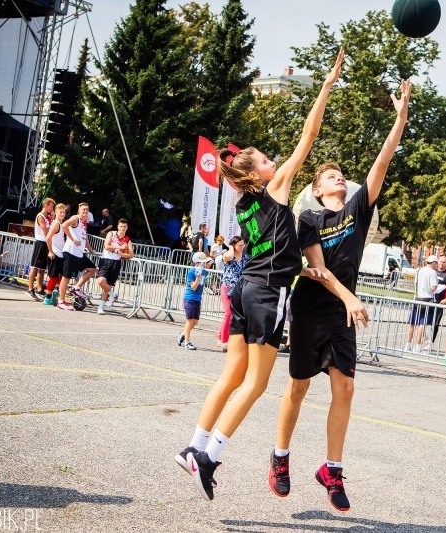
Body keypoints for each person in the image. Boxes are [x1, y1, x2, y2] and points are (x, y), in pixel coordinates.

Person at [175, 48, 344, 502]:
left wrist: (304, 267)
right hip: (268, 295)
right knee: (255, 384)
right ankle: (208, 456)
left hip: (244, 290)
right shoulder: (274, 190)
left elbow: (274, 247)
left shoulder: (243, 203)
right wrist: (326, 87)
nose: (275, 162)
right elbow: (309, 135)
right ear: (255, 172)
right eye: (267, 159)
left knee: (231, 376)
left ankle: (193, 444)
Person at [269, 79, 410, 512]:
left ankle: (332, 469)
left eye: (341, 175)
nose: (340, 177)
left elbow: (382, 162)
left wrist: (400, 118)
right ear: (317, 189)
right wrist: (349, 297)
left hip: (343, 313)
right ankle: (280, 456)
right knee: (298, 387)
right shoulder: (310, 219)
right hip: (312, 308)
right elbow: (318, 269)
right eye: (332, 176)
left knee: (345, 388)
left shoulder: (357, 211)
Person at [57, 203, 97, 311]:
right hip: (71, 252)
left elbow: (85, 238)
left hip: (79, 254)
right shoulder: (76, 218)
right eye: (83, 209)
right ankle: (61, 301)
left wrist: (90, 249)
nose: (85, 211)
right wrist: (73, 239)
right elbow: (64, 225)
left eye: (87, 210)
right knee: (66, 277)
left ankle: (76, 288)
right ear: (79, 210)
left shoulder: (84, 223)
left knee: (92, 268)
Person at [95, 218, 133, 315]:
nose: (122, 228)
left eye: (124, 227)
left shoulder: (127, 240)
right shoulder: (111, 234)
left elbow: (131, 255)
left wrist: (122, 254)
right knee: (101, 281)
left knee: (109, 285)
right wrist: (119, 248)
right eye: (121, 226)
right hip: (105, 260)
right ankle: (113, 295)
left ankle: (101, 307)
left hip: (116, 263)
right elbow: (107, 246)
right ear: (118, 226)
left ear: (127, 227)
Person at [216, 237, 247, 351]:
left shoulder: (245, 258)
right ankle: (224, 340)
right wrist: (230, 248)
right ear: (233, 245)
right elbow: (228, 257)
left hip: (239, 289)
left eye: (243, 245)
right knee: (228, 313)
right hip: (227, 287)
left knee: (234, 314)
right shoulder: (228, 255)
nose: (242, 247)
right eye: (239, 245)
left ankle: (220, 337)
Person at [177, 252, 213, 350]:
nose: (203, 265)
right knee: (190, 320)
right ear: (196, 263)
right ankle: (187, 342)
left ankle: (183, 334)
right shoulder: (191, 272)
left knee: (195, 321)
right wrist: (198, 277)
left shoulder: (204, 271)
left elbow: (208, 266)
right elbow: (193, 287)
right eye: (202, 263)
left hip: (198, 299)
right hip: (190, 298)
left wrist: (210, 261)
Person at [404, 255, 439, 354]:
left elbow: (416, 283)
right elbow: (433, 288)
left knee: (412, 323)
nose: (437, 265)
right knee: (422, 324)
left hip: (417, 298)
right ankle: (418, 346)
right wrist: (437, 285)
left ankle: (408, 344)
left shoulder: (419, 270)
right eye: (436, 263)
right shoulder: (432, 272)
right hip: (427, 299)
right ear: (433, 263)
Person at [26, 198, 56, 300]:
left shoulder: (48, 217)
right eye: (51, 206)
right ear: (46, 205)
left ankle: (39, 288)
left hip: (46, 243)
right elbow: (46, 231)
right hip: (41, 243)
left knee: (42, 268)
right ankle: (30, 288)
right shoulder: (40, 216)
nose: (52, 209)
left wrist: (52, 219)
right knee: (35, 266)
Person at [43, 203, 68, 306]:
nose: (62, 214)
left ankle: (55, 292)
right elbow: (48, 238)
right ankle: (47, 297)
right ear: (56, 212)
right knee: (53, 277)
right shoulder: (56, 224)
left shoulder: (61, 224)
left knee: (61, 276)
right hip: (55, 253)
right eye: (60, 212)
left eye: (64, 212)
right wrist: (51, 251)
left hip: (61, 254)